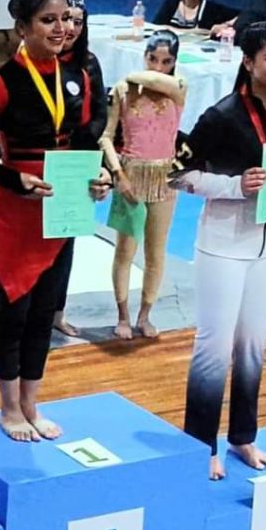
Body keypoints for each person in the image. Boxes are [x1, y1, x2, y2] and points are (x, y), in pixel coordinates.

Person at [0, 0, 110, 442]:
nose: (61, 28)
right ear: (22, 27)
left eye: (65, 19)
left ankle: (31, 403)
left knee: (44, 314)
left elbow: (85, 142)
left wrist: (96, 177)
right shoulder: (1, 84)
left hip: (63, 210)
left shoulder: (76, 75)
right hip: (18, 215)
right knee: (14, 314)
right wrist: (11, 179)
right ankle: (8, 409)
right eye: (47, 20)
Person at [169, 22, 266, 480]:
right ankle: (201, 444)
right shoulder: (221, 116)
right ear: (249, 62)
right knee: (214, 347)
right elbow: (178, 175)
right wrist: (234, 186)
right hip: (223, 245)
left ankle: (243, 436)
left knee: (253, 344)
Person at [100, 30, 187, 340]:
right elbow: (106, 137)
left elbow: (156, 80)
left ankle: (145, 314)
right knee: (125, 249)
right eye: (152, 58)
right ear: (144, 56)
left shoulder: (178, 87)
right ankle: (123, 314)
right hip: (131, 175)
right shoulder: (123, 91)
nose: (158, 66)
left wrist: (135, 75)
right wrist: (118, 174)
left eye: (166, 61)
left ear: (175, 62)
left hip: (165, 178)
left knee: (156, 250)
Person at [52, 0, 107, 338]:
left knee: (65, 242)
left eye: (78, 22)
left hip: (75, 164)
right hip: (42, 161)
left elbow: (101, 112)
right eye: (65, 20)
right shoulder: (37, 60)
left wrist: (83, 148)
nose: (70, 28)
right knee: (35, 242)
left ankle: (57, 312)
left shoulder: (89, 62)